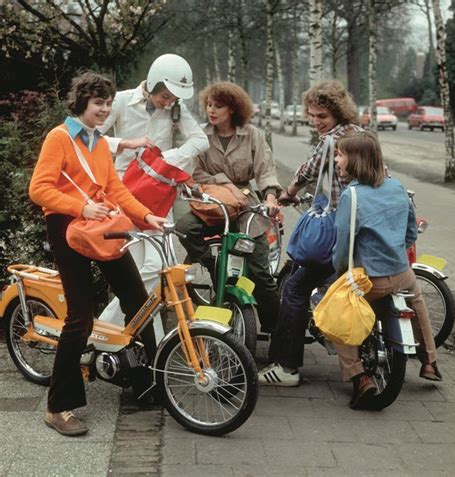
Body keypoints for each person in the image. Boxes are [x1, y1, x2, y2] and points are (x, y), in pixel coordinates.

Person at [29, 72, 167, 437]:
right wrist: (79, 207)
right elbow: (38, 189)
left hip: (100, 224)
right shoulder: (59, 138)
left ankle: (149, 381)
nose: (105, 109)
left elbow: (115, 189)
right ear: (81, 104)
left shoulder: (99, 141)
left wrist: (146, 215)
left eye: (108, 103)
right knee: (81, 315)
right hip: (67, 227)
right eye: (98, 104)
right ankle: (58, 407)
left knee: (139, 300)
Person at [97, 54, 209, 341]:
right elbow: (90, 136)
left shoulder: (176, 109)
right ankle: (138, 340)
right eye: (164, 95)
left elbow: (200, 140)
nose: (168, 102)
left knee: (161, 267)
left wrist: (166, 159)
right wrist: (124, 144)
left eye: (173, 97)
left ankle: (108, 329)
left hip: (158, 198)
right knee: (133, 269)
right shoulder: (121, 101)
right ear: (152, 83)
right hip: (124, 195)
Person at [259, 80, 363, 385]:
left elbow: (307, 171)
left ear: (337, 114)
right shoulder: (364, 135)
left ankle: (287, 368)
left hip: (338, 233)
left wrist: (287, 194)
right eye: (312, 116)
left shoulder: (332, 141)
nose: (316, 122)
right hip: (365, 232)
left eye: (323, 116)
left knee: (294, 288)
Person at [331, 131, 442, 409]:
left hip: (370, 279)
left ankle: (359, 377)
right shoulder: (397, 186)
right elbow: (409, 232)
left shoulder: (351, 196)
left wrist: (341, 272)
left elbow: (343, 245)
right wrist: (396, 252)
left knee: (338, 312)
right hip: (402, 272)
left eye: (340, 154)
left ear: (354, 160)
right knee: (417, 301)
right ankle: (430, 360)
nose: (336, 159)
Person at [175, 81, 282, 333]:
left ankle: (276, 333)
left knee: (261, 274)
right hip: (215, 204)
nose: (211, 110)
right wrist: (225, 185)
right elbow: (197, 172)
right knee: (184, 228)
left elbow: (265, 170)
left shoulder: (252, 134)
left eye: (218, 106)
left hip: (246, 205)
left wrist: (269, 197)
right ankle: (214, 266)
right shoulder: (200, 136)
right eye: (209, 104)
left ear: (232, 109)